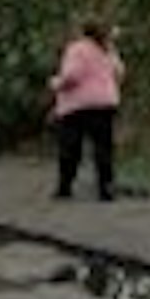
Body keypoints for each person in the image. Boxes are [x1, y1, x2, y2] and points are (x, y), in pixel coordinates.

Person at [48, 18, 123, 201]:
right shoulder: (108, 49)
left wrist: (56, 83)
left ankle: (65, 186)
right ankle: (106, 187)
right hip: (105, 102)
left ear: (83, 31)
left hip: (78, 104)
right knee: (103, 147)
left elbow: (72, 75)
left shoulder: (77, 49)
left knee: (70, 147)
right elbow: (119, 72)